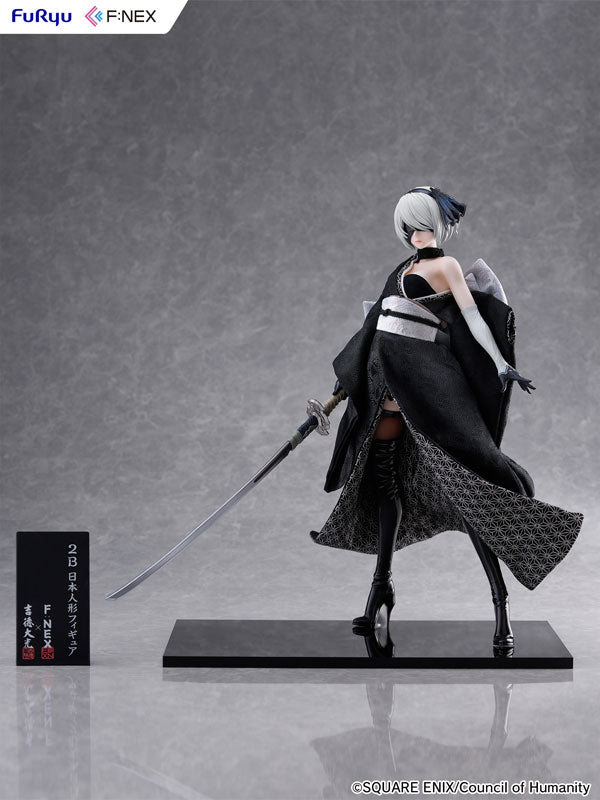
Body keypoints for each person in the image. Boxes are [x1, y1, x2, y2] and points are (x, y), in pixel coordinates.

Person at [310, 186, 584, 656]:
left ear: (438, 225)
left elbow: (473, 319)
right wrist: (341, 388)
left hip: (426, 387)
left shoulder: (447, 267)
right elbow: (372, 329)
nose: (415, 234)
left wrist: (500, 362)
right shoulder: (402, 270)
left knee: (468, 492)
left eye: (422, 225)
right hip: (385, 387)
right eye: (408, 227)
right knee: (383, 481)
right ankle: (381, 589)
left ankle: (500, 605)